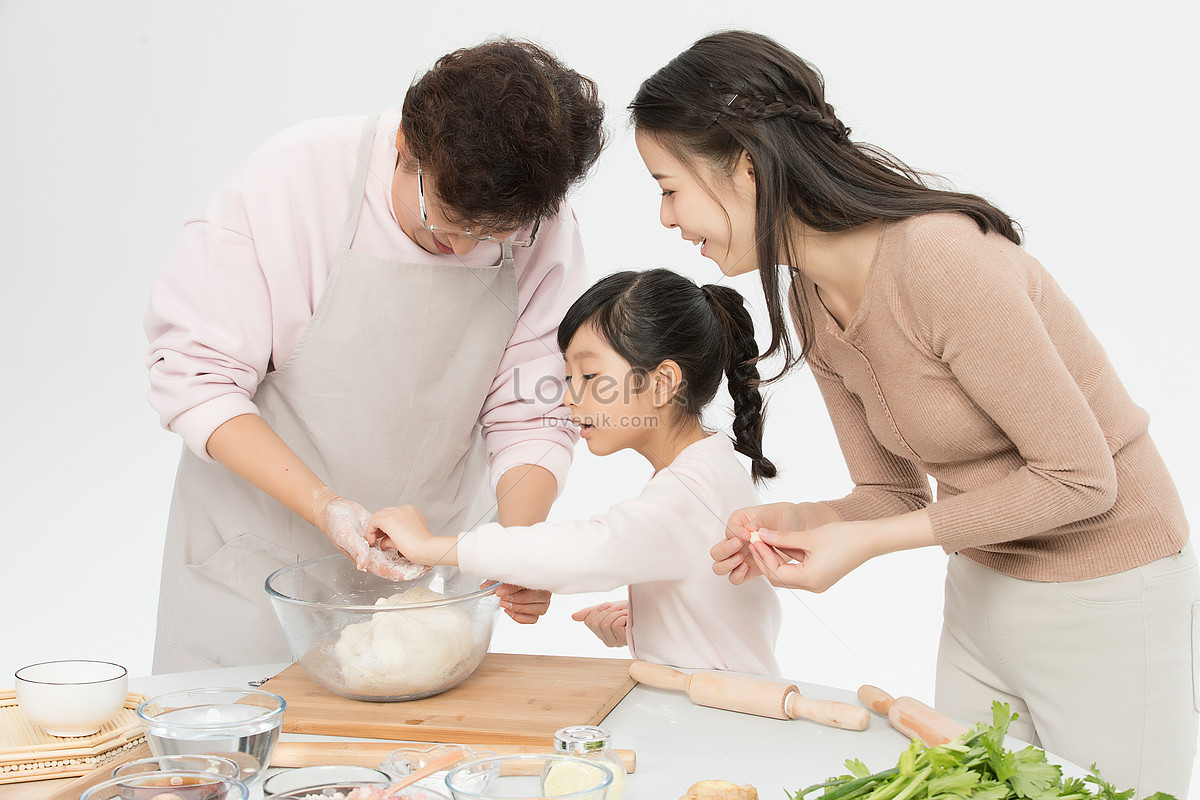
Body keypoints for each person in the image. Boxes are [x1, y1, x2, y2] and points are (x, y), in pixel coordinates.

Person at [629, 30, 1195, 797]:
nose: (666, 217)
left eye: (669, 186)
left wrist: (864, 544)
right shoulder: (812, 295)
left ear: (748, 167)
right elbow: (891, 494)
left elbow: (1081, 480)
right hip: (981, 593)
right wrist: (801, 521)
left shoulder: (938, 260)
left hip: (1108, 595)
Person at [144, 39, 605, 672]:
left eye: (490, 236)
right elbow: (195, 381)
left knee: (401, 767)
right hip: (255, 564)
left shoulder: (536, 223)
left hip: (419, 589)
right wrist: (327, 508)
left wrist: (516, 548)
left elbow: (533, 412)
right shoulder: (293, 181)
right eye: (443, 223)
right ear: (408, 150)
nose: (461, 247)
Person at [368, 269, 783, 676]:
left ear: (662, 383)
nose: (568, 397)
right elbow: (726, 605)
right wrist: (653, 620)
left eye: (589, 376)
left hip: (726, 722)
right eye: (568, 376)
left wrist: (431, 546)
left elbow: (593, 548)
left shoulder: (690, 489)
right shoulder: (711, 466)